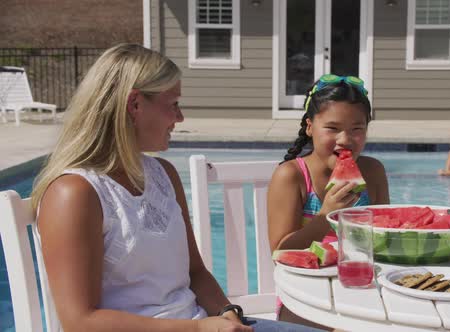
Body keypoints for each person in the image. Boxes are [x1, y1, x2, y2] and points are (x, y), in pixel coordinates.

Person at [30, 44, 318, 332]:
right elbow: (79, 322)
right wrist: (199, 329)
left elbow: (195, 271)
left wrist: (228, 312)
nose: (180, 118)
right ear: (135, 105)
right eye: (173, 104)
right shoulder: (74, 194)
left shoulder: (162, 174)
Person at [267, 74, 390, 329]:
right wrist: (326, 216)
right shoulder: (292, 176)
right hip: (305, 300)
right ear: (310, 126)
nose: (345, 140)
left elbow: (384, 238)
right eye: (333, 129)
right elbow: (280, 253)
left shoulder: (373, 171)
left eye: (357, 129)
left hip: (363, 294)